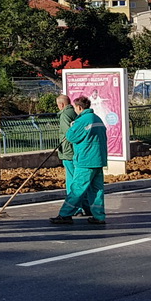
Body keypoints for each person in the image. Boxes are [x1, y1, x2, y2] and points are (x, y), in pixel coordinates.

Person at [50, 96, 108, 225]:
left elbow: (71, 136)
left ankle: (65, 214)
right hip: (98, 159)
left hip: (85, 160)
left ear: (80, 107)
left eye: (75, 108)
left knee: (77, 188)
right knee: (97, 189)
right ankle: (99, 216)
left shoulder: (82, 121)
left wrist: (73, 126)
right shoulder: (97, 119)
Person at [56, 94, 89, 216]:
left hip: (68, 152)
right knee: (80, 181)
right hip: (77, 152)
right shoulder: (75, 113)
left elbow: (68, 133)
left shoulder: (64, 115)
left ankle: (75, 208)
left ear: (62, 104)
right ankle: (86, 206)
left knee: (72, 181)